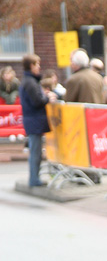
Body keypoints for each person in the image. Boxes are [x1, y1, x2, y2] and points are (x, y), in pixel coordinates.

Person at [19, 53, 57, 188]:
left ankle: (35, 178)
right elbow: (36, 102)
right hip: (34, 120)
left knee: (35, 151)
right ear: (31, 66)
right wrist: (47, 99)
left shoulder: (28, 81)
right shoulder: (30, 82)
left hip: (32, 120)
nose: (39, 67)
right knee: (35, 152)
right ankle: (34, 179)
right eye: (37, 64)